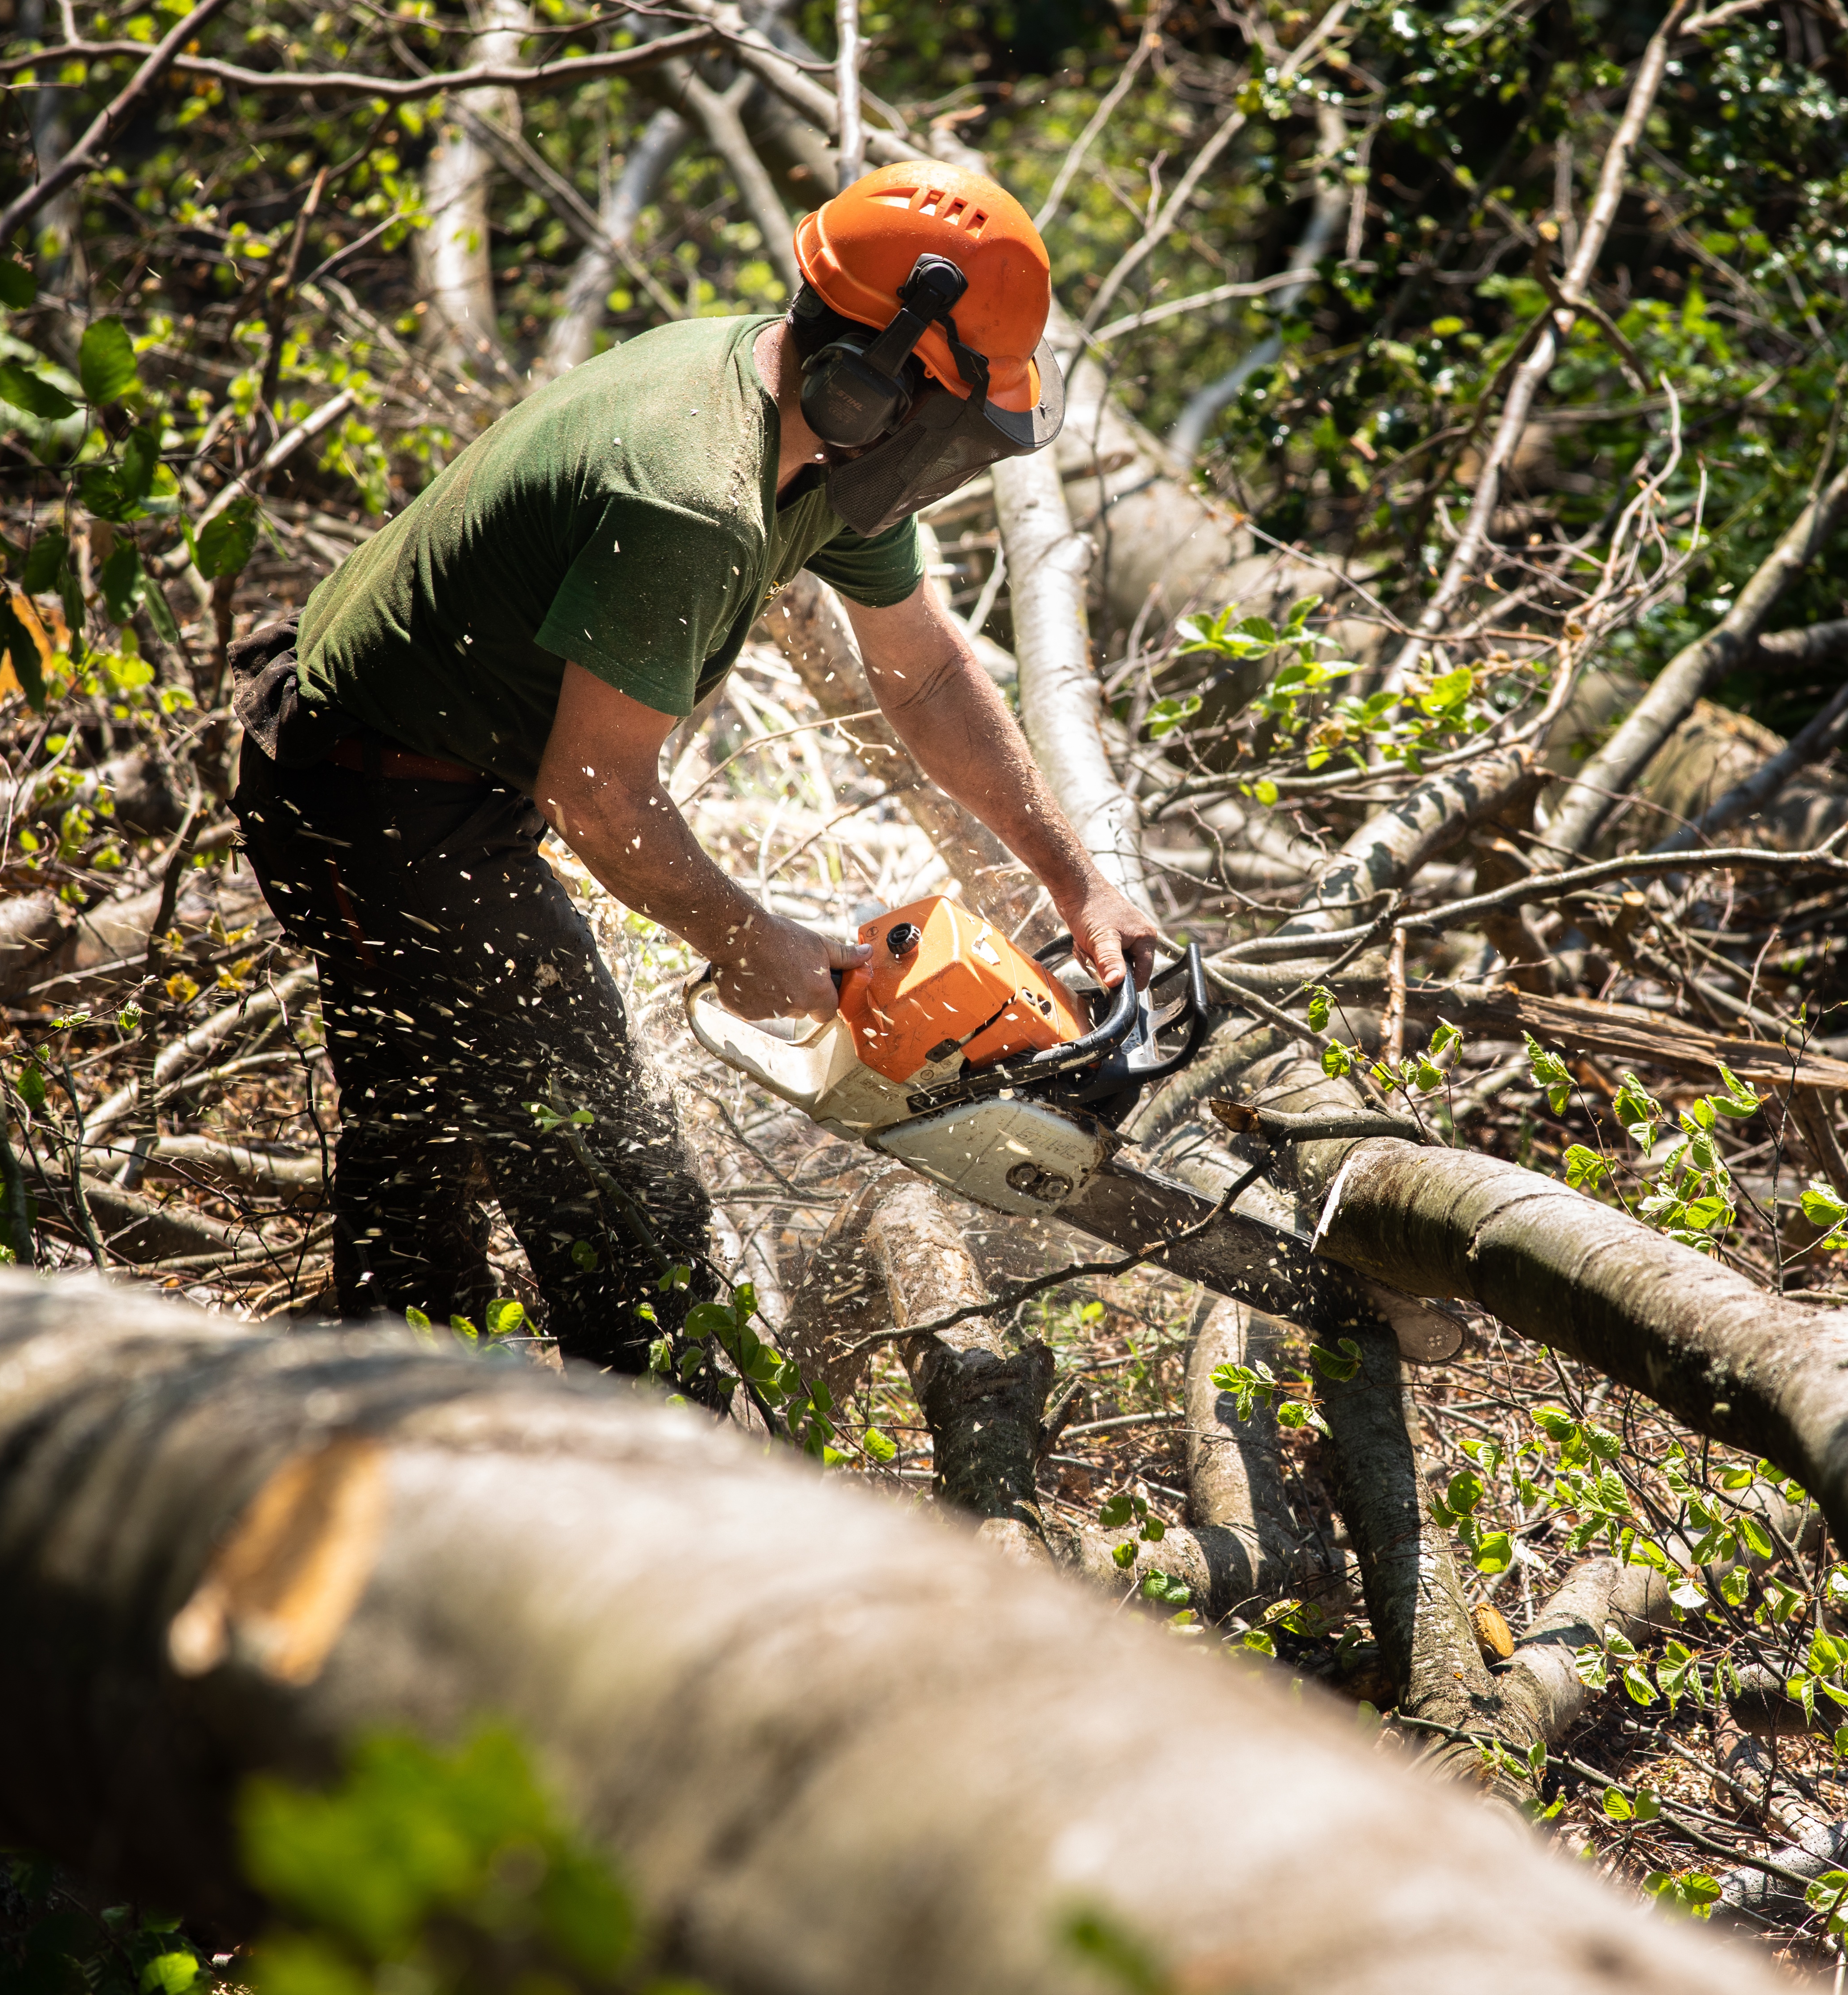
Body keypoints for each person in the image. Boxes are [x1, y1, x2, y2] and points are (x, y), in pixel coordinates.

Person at [230, 160, 1163, 1378]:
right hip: (364, 782)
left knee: (455, 1137)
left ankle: (429, 1425)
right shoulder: (696, 495)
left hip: (453, 778)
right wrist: (748, 936)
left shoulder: (824, 447)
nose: (946, 459)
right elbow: (595, 793)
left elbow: (927, 675)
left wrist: (1077, 882)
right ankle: (590, 1459)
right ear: (871, 377)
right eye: (945, 418)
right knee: (598, 1185)